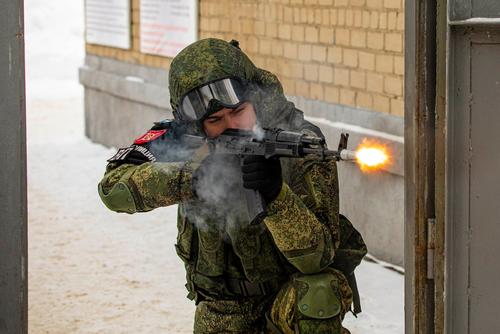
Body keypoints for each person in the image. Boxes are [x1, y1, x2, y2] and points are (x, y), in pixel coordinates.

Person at [98, 38, 366, 334]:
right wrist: (192, 177)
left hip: (287, 301)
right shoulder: (181, 135)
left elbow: (318, 258)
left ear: (256, 100)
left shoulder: (298, 143)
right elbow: (113, 189)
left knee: (320, 291)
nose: (230, 125)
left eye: (239, 112)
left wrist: (275, 196)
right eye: (215, 119)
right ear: (197, 124)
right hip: (221, 307)